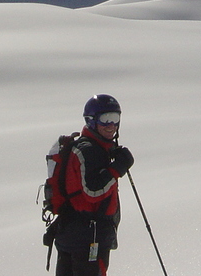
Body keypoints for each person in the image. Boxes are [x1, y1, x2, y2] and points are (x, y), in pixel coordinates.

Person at [54, 94, 134, 276]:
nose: (111, 125)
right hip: (88, 236)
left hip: (72, 232)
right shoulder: (90, 150)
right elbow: (93, 191)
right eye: (106, 119)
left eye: (115, 119)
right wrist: (118, 167)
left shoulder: (89, 147)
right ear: (91, 121)